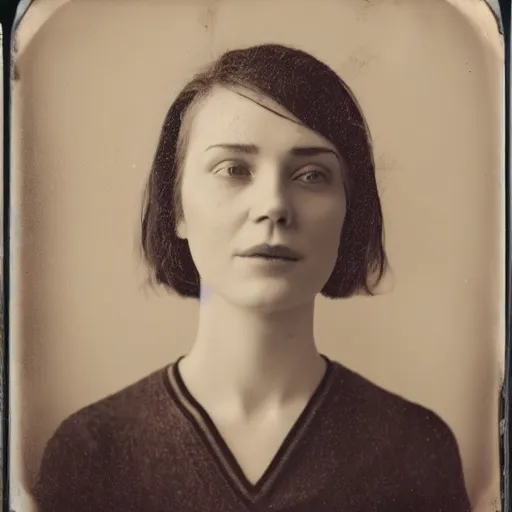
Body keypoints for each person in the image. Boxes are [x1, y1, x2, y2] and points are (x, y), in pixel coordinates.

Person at [34, 43, 471, 512]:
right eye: (234, 169)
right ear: (178, 208)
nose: (274, 207)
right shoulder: (93, 452)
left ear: (350, 211)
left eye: (311, 176)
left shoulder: (414, 450)